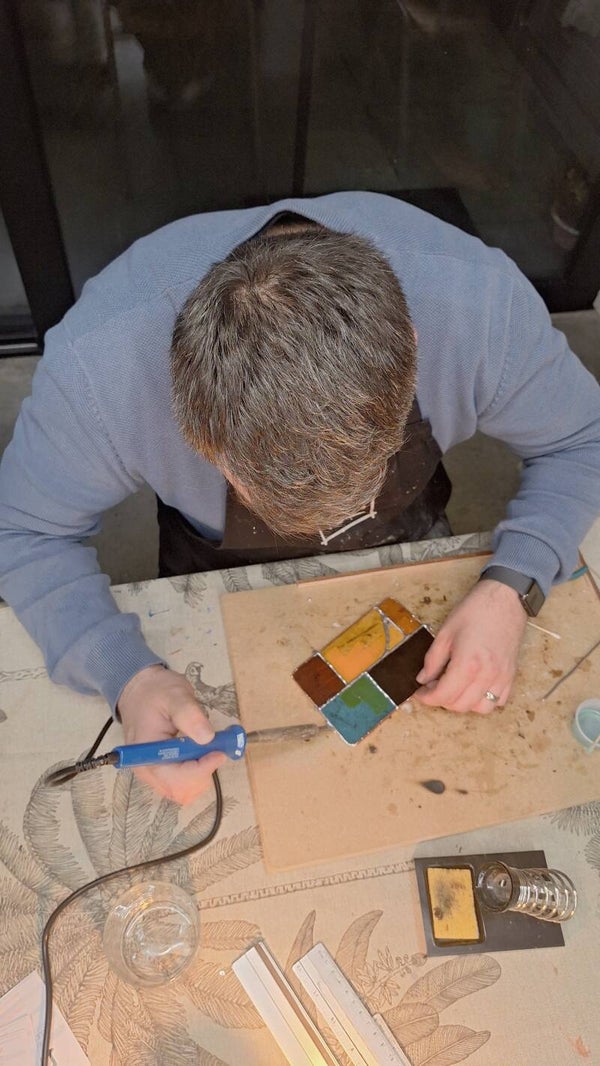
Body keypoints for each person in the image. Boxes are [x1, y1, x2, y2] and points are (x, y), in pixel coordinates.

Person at [1, 191, 598, 805]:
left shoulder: (481, 308)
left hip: (413, 537)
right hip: (211, 564)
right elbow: (24, 533)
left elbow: (584, 440)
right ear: (193, 427)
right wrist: (125, 675)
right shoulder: (100, 373)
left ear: (412, 346)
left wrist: (515, 583)